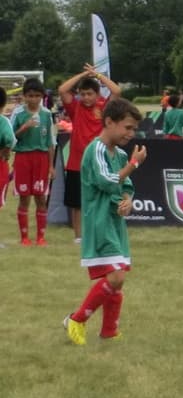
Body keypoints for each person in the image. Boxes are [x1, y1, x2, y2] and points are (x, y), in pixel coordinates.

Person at [62, 98, 146, 345]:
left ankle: (109, 331)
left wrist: (128, 200)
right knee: (116, 277)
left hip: (115, 224)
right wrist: (133, 164)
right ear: (109, 122)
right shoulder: (95, 149)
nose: (131, 134)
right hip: (99, 222)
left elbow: (125, 185)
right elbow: (107, 181)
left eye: (134, 129)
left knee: (117, 280)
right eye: (127, 127)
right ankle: (77, 320)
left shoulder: (119, 153)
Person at [58, 63, 122, 242]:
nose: (85, 97)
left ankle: (100, 233)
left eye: (89, 94)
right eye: (82, 94)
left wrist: (97, 76)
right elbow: (63, 89)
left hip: (99, 161)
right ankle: (78, 237)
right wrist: (83, 75)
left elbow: (117, 92)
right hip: (76, 162)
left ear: (97, 94)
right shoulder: (75, 107)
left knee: (101, 201)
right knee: (77, 203)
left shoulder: (105, 107)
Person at [10, 79, 57, 245]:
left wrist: (51, 166)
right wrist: (24, 127)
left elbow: (51, 142)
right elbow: (11, 138)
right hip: (23, 158)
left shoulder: (46, 114)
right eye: (30, 96)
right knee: (24, 198)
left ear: (42, 97)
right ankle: (24, 237)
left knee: (40, 197)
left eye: (37, 96)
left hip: (41, 159)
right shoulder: (18, 113)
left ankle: (41, 237)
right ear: (24, 96)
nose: (34, 99)